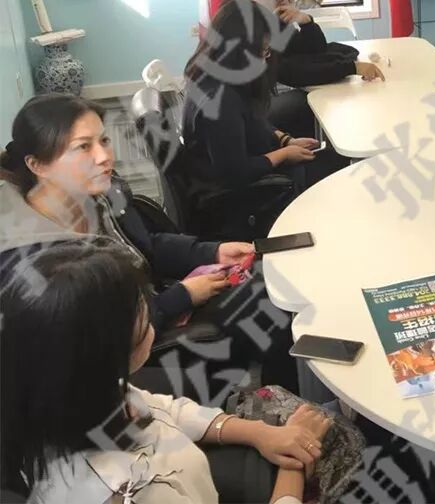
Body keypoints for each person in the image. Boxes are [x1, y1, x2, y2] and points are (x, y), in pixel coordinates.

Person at [0, 93, 299, 391]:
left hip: (155, 297)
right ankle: (277, 401)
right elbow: (99, 340)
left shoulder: (97, 194)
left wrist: (213, 252)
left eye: (103, 140)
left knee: (272, 281)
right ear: (37, 165)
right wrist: (182, 296)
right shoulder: (37, 261)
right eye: (83, 147)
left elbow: (146, 244)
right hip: (131, 347)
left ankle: (278, 398)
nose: (104, 157)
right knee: (269, 305)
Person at [0, 238, 330, 502]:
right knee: (340, 446)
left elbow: (159, 407)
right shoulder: (137, 491)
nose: (151, 320)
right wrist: (294, 466)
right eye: (144, 321)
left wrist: (260, 433)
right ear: (107, 355)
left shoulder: (65, 396)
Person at [183, 0, 336, 229]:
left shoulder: (211, 74)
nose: (266, 59)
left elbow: (252, 120)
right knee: (337, 171)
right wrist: (284, 154)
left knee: (332, 160)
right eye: (263, 51)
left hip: (242, 176)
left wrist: (285, 139)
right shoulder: (220, 99)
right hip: (238, 200)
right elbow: (235, 172)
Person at [246, 0, 384, 140]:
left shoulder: (275, 22)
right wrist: (352, 68)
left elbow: (315, 51)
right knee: (314, 101)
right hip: (249, 114)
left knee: (326, 98)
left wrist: (306, 22)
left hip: (265, 100)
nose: (286, 2)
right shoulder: (248, 28)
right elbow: (292, 73)